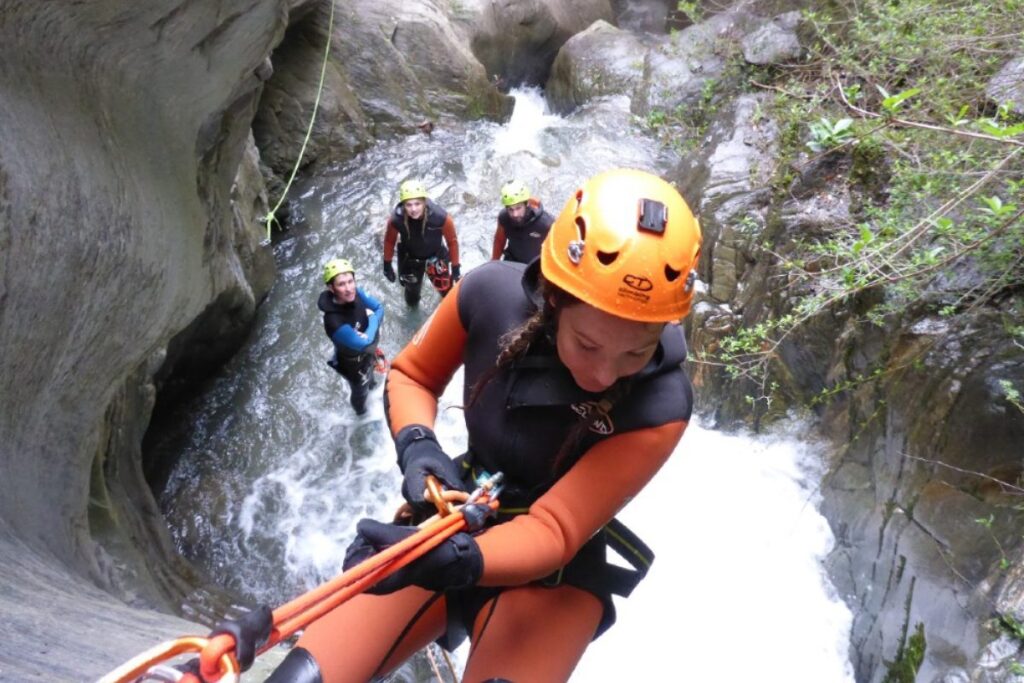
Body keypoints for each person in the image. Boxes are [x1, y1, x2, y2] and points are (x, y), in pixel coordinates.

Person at [267, 168, 702, 682]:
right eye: (587, 344)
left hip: (555, 573)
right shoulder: (489, 297)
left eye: (637, 351)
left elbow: (555, 528)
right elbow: (413, 375)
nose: (603, 374)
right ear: (555, 299)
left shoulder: (661, 403)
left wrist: (458, 558)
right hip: (459, 511)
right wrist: (419, 446)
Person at [318, 258, 385, 416]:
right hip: (353, 365)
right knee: (360, 390)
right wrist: (372, 319)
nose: (349, 289)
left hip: (366, 353)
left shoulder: (357, 293)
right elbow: (366, 343)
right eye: (341, 284)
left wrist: (370, 327)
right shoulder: (334, 321)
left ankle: (374, 390)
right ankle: (361, 414)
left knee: (372, 380)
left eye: (350, 281)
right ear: (331, 288)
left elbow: (380, 308)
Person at [382, 179, 461, 306]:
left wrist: (456, 268)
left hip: (436, 257)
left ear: (424, 202)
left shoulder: (440, 217)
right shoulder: (396, 219)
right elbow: (389, 241)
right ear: (403, 204)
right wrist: (387, 265)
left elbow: (452, 242)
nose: (413, 209)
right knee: (411, 299)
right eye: (409, 205)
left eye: (417, 204)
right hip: (410, 259)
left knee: (447, 293)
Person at [490, 179, 554, 264]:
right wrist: (494, 262)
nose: (515, 214)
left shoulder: (545, 223)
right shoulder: (504, 218)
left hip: (535, 266)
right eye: (510, 209)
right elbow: (499, 240)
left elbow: (556, 250)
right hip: (512, 260)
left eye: (518, 208)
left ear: (527, 204)